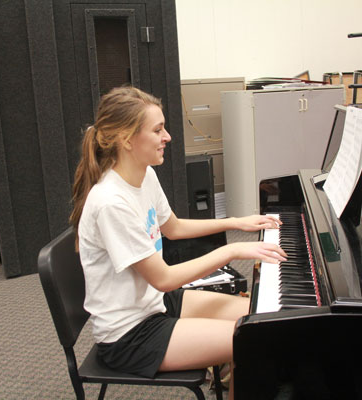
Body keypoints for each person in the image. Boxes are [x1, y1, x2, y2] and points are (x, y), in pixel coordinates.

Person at [70, 86, 287, 399]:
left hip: (153, 305)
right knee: (254, 339)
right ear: (127, 140)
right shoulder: (111, 202)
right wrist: (233, 249)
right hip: (129, 336)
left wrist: (235, 222)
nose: (168, 136)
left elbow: (172, 227)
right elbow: (163, 278)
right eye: (157, 130)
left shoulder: (143, 175)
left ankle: (231, 373)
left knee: (261, 315)